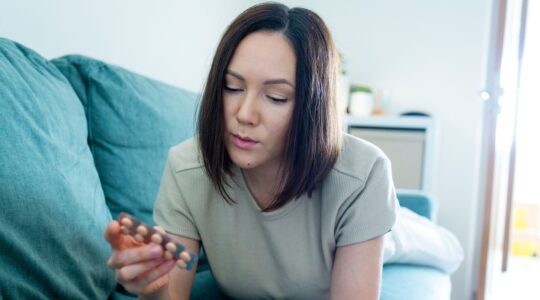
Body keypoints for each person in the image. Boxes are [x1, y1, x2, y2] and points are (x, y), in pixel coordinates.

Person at [104, 2, 462, 300]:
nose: (243, 115)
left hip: (384, 233)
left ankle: (407, 219)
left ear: (312, 106)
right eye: (232, 87)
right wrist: (151, 282)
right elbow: (169, 291)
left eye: (276, 97)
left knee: (444, 248)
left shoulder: (362, 174)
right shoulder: (186, 168)